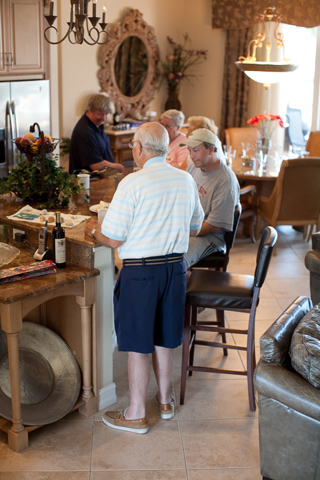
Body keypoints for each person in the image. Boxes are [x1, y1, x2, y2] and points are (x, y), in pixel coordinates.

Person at [84, 122, 204, 434]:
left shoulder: (132, 183)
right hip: (175, 270)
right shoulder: (185, 180)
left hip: (140, 273)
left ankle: (136, 413)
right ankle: (165, 402)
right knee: (164, 337)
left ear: (138, 148)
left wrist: (92, 230)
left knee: (138, 344)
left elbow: (112, 238)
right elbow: (194, 226)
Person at [180, 128, 240, 269]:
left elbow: (214, 225)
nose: (191, 156)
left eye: (195, 150)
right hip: (191, 229)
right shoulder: (193, 169)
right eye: (189, 151)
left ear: (211, 149)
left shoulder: (226, 180)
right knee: (158, 251)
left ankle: (184, 287)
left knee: (176, 261)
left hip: (210, 238)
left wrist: (183, 232)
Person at [69, 94, 127, 176]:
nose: (103, 118)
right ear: (90, 111)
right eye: (99, 114)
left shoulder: (97, 124)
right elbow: (96, 165)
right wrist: (119, 167)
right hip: (86, 182)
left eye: (106, 114)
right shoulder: (85, 132)